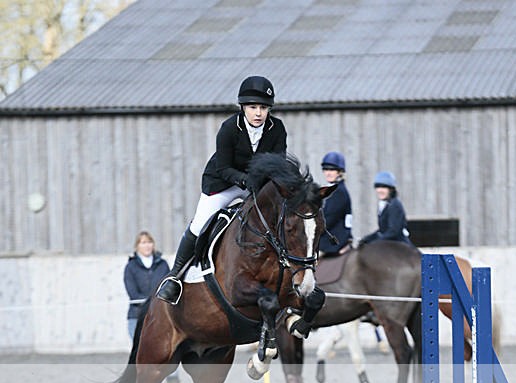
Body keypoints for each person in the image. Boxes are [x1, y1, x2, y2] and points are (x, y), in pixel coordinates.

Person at [157, 75, 287, 304]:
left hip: (256, 187)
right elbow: (224, 167)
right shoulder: (229, 128)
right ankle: (174, 277)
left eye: (263, 108)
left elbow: (278, 164)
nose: (258, 113)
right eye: (253, 107)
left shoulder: (277, 128)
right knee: (200, 223)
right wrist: (247, 181)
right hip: (224, 183)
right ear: (243, 108)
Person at [124, 231, 170, 338]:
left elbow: (168, 285)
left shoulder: (163, 264)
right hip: (137, 314)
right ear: (137, 246)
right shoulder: (131, 266)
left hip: (160, 315)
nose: (147, 246)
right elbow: (132, 292)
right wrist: (150, 302)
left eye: (149, 242)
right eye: (143, 243)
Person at [359, 171, 413, 246]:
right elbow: (382, 230)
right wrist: (367, 239)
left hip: (399, 245)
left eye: (384, 187)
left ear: (391, 189)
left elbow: (393, 232)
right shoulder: (384, 205)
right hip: (389, 242)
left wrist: (376, 241)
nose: (380, 190)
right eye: (377, 186)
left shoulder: (394, 205)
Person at [319, 151, 353, 256]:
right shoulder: (334, 189)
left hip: (334, 240)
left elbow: (328, 220)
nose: (328, 173)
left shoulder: (338, 192)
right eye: (326, 169)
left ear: (339, 172)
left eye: (332, 170)